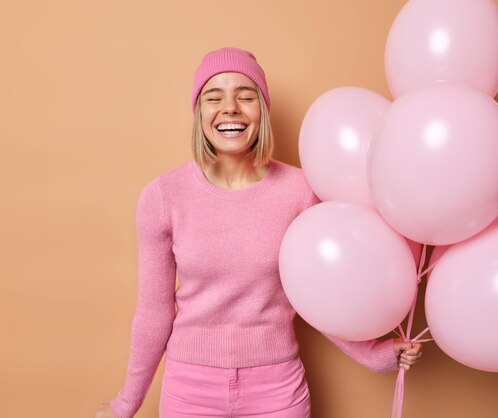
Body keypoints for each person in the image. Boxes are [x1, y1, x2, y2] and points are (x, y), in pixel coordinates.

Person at [95, 47, 422, 418]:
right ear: (199, 112)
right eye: (213, 97)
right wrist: (126, 404)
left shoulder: (300, 191)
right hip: (190, 390)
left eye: (245, 96)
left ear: (262, 111)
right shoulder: (163, 197)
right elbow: (154, 312)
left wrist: (372, 353)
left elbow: (318, 293)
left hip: (277, 388)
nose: (230, 107)